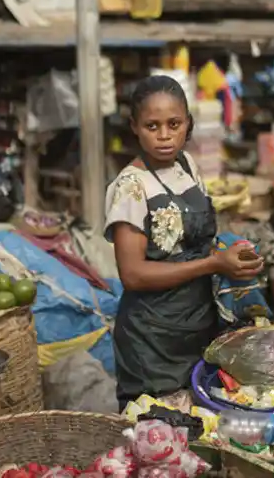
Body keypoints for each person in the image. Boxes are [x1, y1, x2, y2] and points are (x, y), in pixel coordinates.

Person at [104, 76, 263, 410]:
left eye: (174, 124)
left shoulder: (187, 165)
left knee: (203, 428)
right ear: (134, 126)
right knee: (158, 438)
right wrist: (213, 264)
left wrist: (232, 257)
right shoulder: (131, 187)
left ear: (188, 123)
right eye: (152, 125)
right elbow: (132, 274)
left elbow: (198, 240)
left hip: (197, 324)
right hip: (152, 338)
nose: (164, 135)